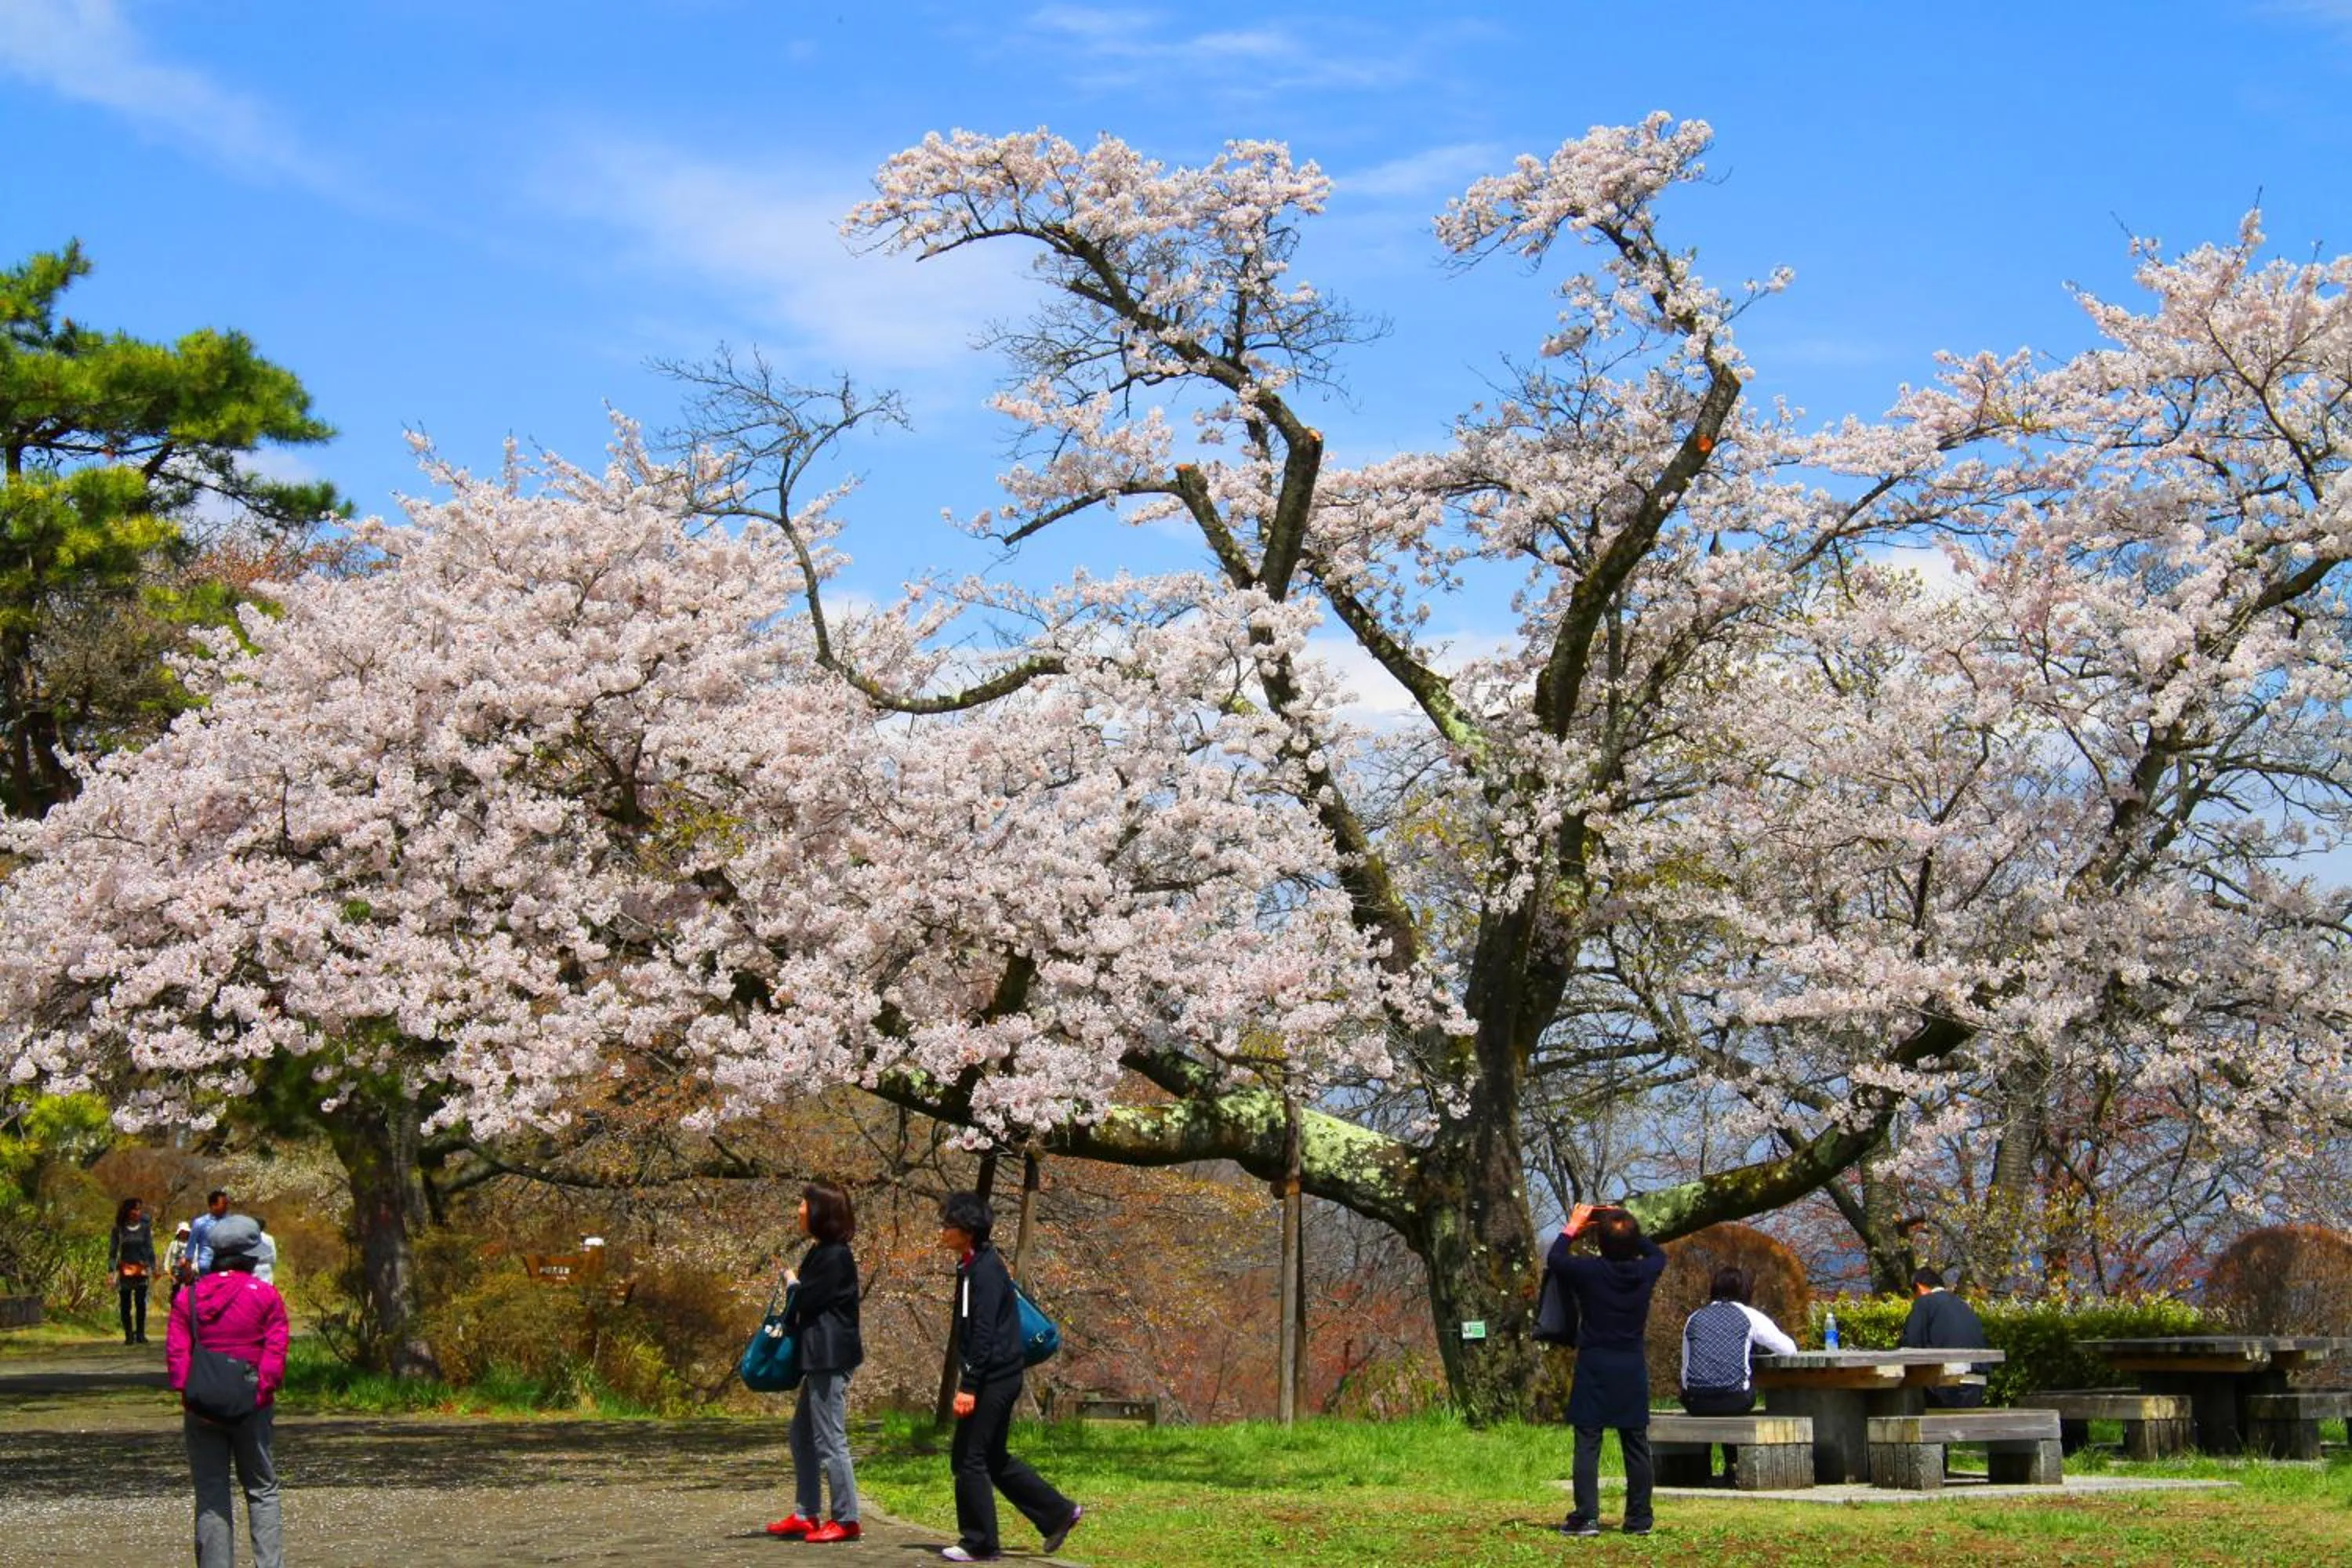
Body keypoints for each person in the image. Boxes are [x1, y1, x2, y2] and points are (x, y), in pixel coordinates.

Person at [937, 1190, 1082, 1564]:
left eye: (948, 1224)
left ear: (967, 1231)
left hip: (994, 1378)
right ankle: (1058, 1513)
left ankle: (980, 1542)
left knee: (970, 1458)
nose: (942, 1230)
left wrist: (969, 1386)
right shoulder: (973, 1264)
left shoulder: (984, 1271)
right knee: (991, 1457)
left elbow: (983, 1333)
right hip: (997, 1374)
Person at [165, 1214, 289, 1568]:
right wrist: (260, 1391)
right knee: (262, 1490)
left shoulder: (188, 1298)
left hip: (202, 1406)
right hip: (253, 1405)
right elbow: (275, 1352)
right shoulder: (266, 1296)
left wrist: (190, 1392)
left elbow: (177, 1354)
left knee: (211, 1492)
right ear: (251, 1257)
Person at [1545, 1203, 1668, 1538]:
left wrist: (1573, 1226)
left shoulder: (1589, 1272)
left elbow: (1555, 1259)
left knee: (1588, 1440)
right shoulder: (1646, 1272)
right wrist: (1627, 1225)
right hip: (1630, 1363)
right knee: (1635, 1442)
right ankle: (1639, 1518)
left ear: (1599, 1244)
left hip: (1595, 1362)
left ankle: (1586, 1517)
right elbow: (1656, 1253)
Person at [765, 1180, 866, 1544]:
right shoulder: (822, 1251)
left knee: (829, 1438)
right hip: (818, 1355)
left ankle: (847, 1517)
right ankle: (806, 1513)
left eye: (804, 1204)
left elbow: (808, 1300)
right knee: (802, 1435)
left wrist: (792, 1284)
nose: (799, 1210)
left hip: (829, 1355)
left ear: (821, 1210)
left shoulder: (835, 1255)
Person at [1679, 1265, 1796, 1414]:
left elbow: (1686, 1367)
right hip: (1736, 1401)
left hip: (1695, 1402)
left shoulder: (1694, 1318)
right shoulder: (1750, 1316)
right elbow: (1789, 1349)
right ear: (1745, 1290)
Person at [1899, 1266, 1990, 1407]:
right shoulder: (1963, 1305)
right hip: (1976, 1385)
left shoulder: (1925, 1302)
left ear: (1919, 1287)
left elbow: (1909, 1344)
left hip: (1946, 1385)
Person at [107, 1196, 158, 1345]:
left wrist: (152, 1266)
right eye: (135, 1209)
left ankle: (140, 1334)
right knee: (125, 1304)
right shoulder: (119, 1230)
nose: (137, 1212)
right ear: (128, 1211)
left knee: (141, 1303)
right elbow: (113, 1252)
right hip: (125, 1271)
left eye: (139, 1209)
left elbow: (149, 1248)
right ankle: (129, 1334)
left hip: (141, 1271)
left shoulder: (145, 1228)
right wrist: (111, 1271)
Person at [188, 1189, 230, 1275]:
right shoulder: (200, 1223)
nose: (226, 1207)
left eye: (227, 1204)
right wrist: (188, 1264)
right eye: (224, 1204)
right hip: (206, 1266)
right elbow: (191, 1246)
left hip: (225, 1267)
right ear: (213, 1205)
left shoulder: (230, 1222)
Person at [164, 1221, 194, 1302]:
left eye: (186, 1232)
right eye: (182, 1231)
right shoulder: (173, 1244)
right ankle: (174, 1310)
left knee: (189, 1292)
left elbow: (195, 1257)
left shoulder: (192, 1244)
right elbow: (168, 1257)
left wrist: (193, 1268)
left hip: (188, 1271)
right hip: (175, 1272)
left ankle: (188, 1311)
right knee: (175, 1292)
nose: (184, 1233)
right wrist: (167, 1269)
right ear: (179, 1232)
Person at [250, 1218, 278, 1287]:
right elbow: (274, 1256)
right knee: (266, 1289)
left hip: (253, 1267)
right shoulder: (269, 1238)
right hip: (266, 1267)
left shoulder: (250, 1237)